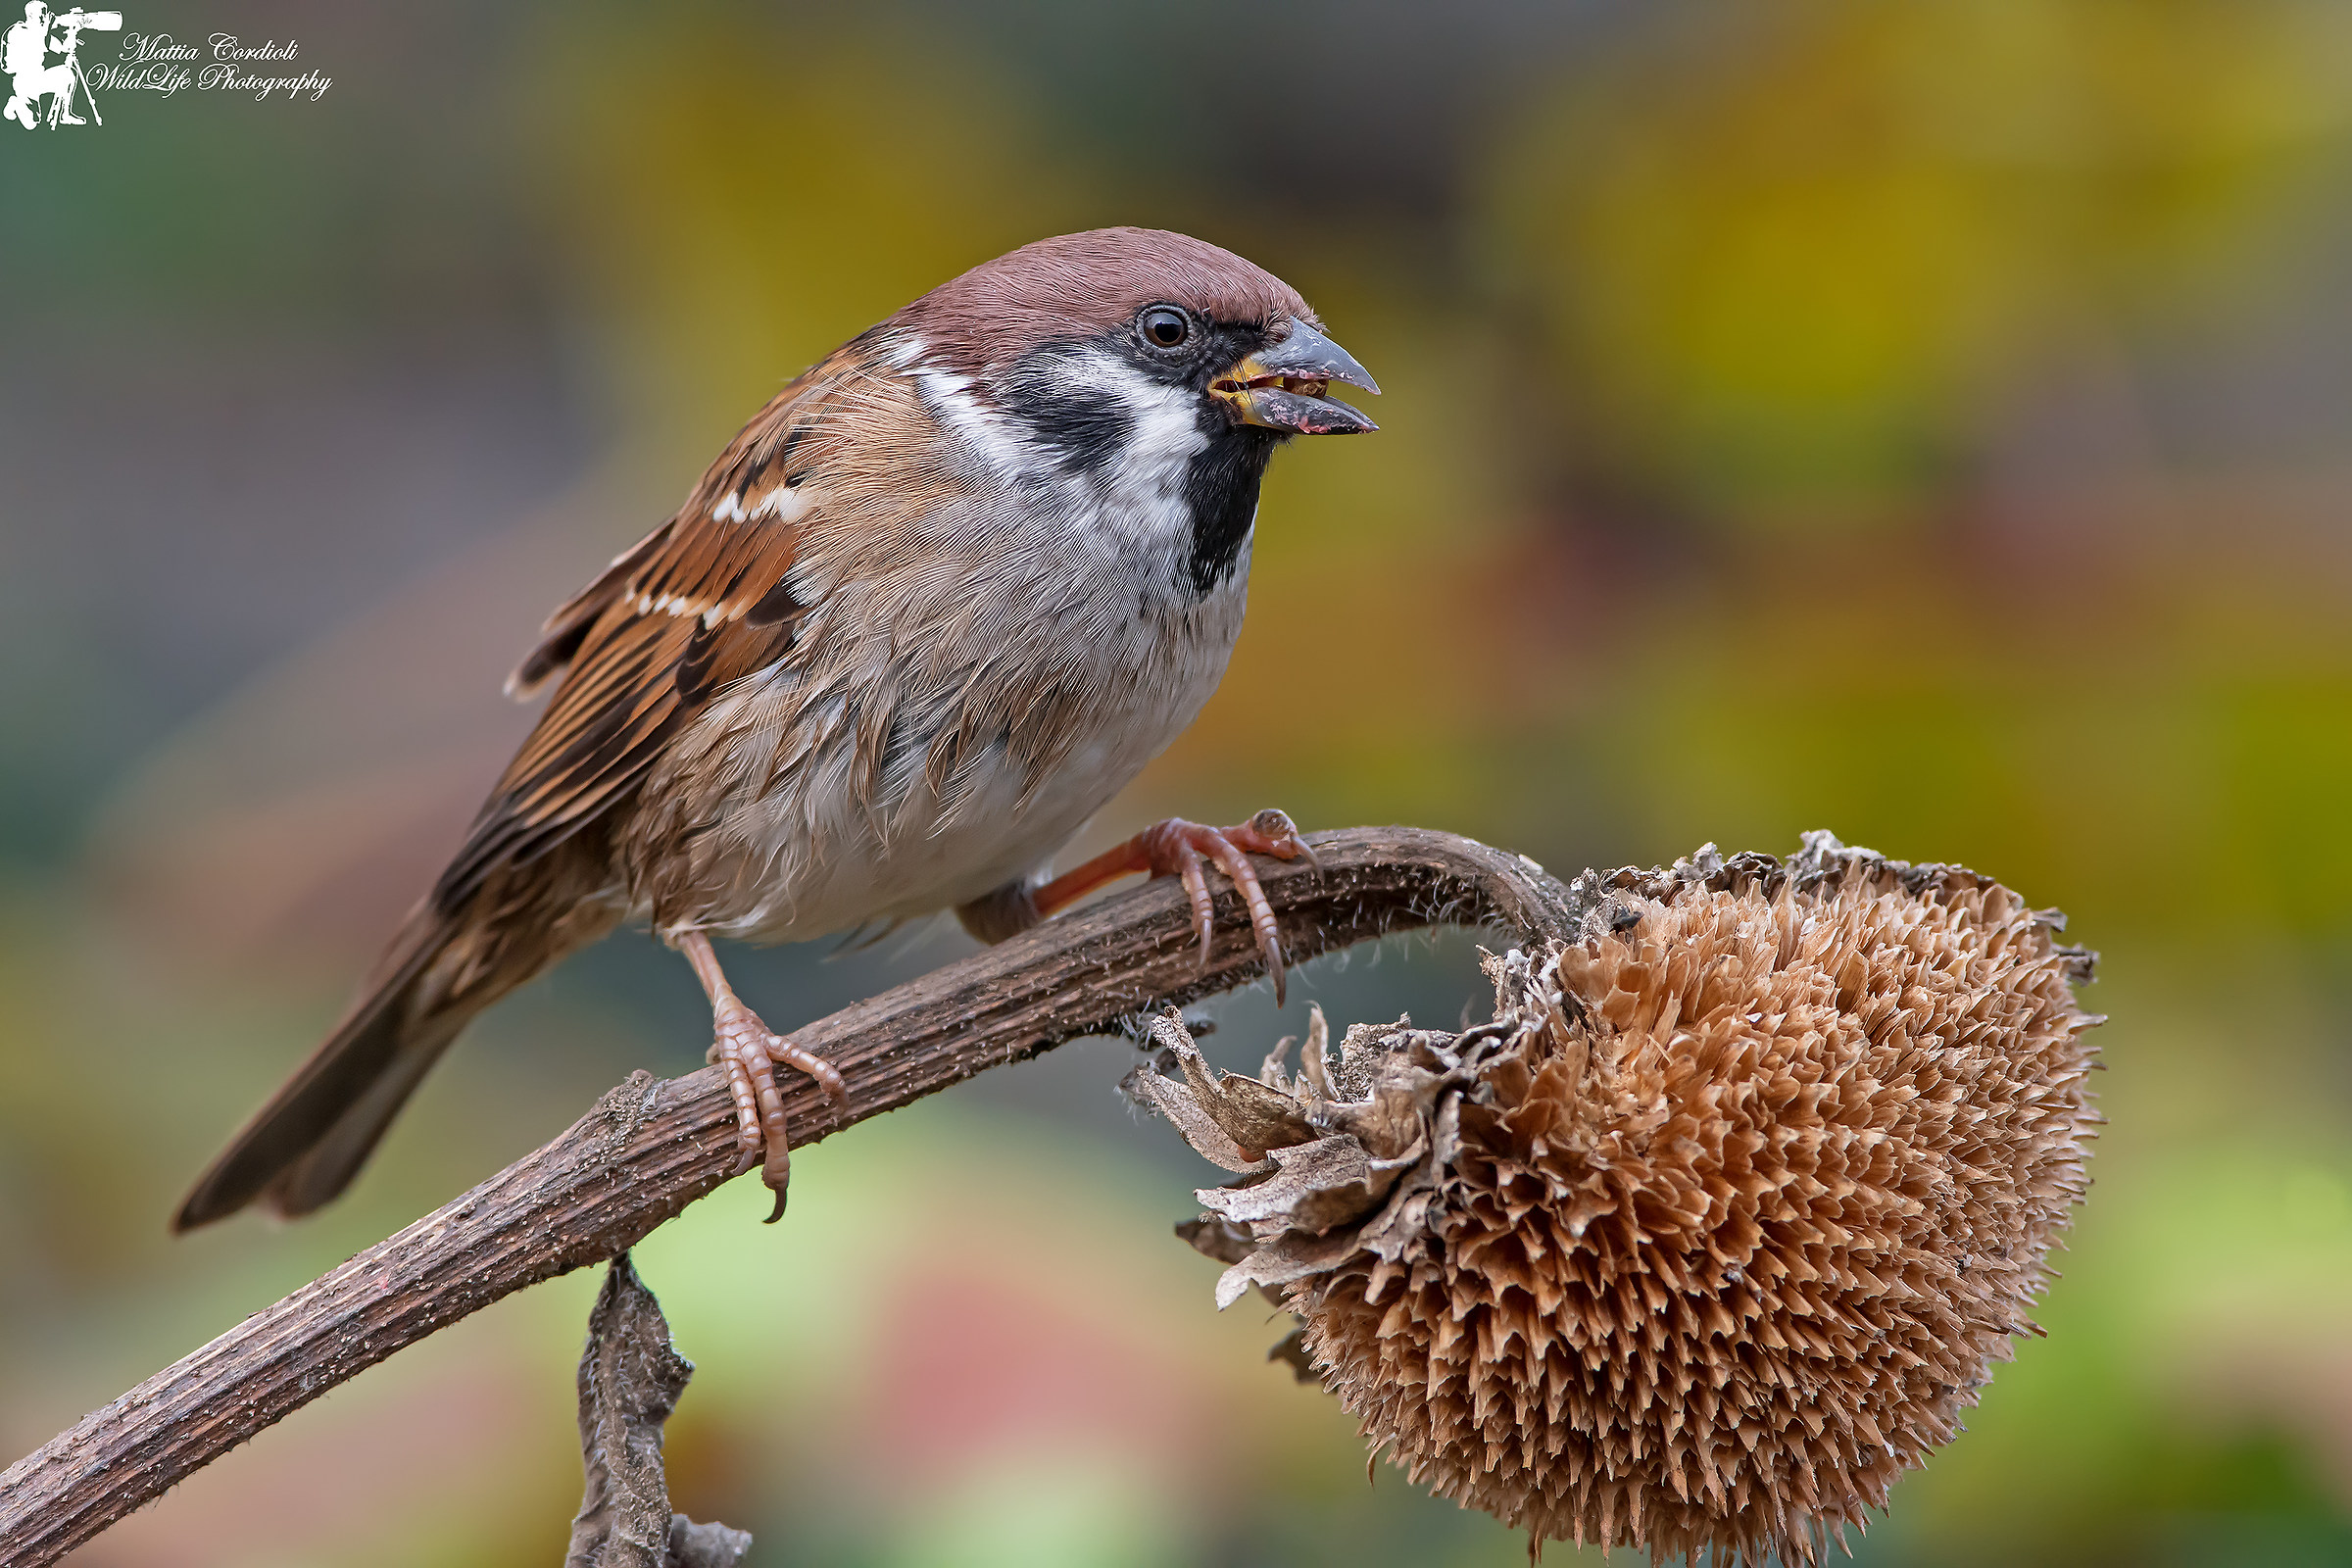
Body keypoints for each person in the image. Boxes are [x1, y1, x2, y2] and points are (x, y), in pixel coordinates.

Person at [3, 4, 81, 128]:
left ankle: (65, 114)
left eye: (45, 15)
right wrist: (47, 27)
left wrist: (72, 33)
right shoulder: (18, 31)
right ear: (30, 15)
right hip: (25, 82)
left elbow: (63, 48)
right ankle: (15, 103)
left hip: (39, 77)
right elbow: (37, 43)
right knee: (31, 124)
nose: (45, 18)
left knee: (69, 74)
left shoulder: (40, 33)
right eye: (42, 15)